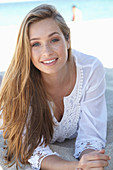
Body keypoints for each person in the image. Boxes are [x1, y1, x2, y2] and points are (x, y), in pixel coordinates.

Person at [0, 4, 110, 170]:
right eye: (35, 44)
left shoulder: (90, 69)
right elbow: (33, 149)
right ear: (26, 50)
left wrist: (89, 158)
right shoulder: (19, 85)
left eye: (54, 40)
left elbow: (91, 134)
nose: (47, 52)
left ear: (67, 40)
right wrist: (75, 166)